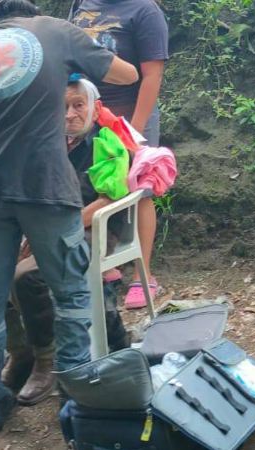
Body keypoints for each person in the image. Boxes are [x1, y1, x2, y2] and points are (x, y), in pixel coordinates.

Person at [0, 0, 138, 434]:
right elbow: (127, 74)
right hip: (44, 186)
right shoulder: (55, 30)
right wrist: (74, 63)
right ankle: (73, 402)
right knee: (71, 295)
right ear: (31, 12)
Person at [1, 78, 130, 407]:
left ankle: (47, 361)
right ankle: (20, 352)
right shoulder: (48, 143)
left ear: (95, 108)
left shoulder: (106, 142)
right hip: (46, 228)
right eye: (62, 107)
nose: (69, 114)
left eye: (78, 105)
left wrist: (52, 232)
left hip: (91, 230)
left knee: (27, 276)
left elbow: (106, 201)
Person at [70, 0, 169, 309]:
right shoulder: (82, 3)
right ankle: (105, 264)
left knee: (139, 189)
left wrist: (133, 132)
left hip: (129, 115)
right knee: (92, 185)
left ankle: (143, 275)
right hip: (88, 114)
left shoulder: (145, 11)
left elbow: (152, 76)